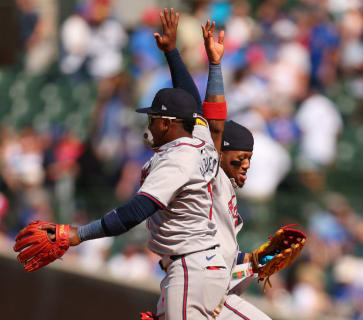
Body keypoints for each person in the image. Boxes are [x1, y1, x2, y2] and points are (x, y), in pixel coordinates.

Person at [18, 10, 229, 319]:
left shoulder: (177, 159)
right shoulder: (200, 138)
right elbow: (192, 103)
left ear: (169, 123)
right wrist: (172, 53)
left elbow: (133, 213)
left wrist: (78, 234)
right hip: (206, 265)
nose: (150, 124)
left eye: (154, 118)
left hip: (190, 269)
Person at [154, 9, 271, 319]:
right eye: (240, 157)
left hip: (208, 288)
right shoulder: (209, 172)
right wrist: (175, 56)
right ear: (219, 153)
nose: (246, 165)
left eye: (249, 159)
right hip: (192, 285)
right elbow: (199, 114)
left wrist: (262, 258)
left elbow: (226, 270)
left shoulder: (226, 192)